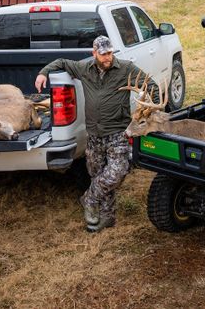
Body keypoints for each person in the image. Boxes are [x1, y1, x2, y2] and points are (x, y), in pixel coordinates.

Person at [35, 35, 151, 232]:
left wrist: (146, 110)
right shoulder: (84, 69)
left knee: (117, 172)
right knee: (97, 174)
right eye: (103, 54)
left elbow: (151, 86)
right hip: (94, 135)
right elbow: (62, 62)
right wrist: (43, 73)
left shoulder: (126, 68)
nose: (108, 58)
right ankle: (107, 216)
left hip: (118, 133)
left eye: (110, 53)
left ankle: (88, 199)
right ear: (94, 54)